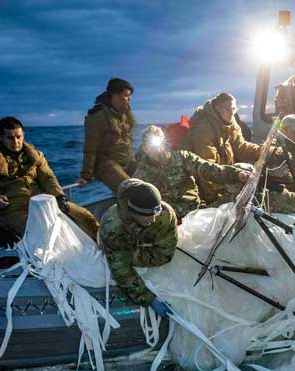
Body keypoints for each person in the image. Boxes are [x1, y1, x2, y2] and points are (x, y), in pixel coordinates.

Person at [0, 116, 99, 244]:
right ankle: (3, 228)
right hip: (12, 209)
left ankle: (104, 246)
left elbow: (48, 178)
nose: (15, 142)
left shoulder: (35, 155)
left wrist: (59, 197)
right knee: (41, 233)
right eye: (10, 138)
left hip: (42, 202)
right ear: (1, 138)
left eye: (19, 137)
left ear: (23, 135)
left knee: (85, 216)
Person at [134, 125, 251, 221]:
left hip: (195, 213)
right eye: (149, 145)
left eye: (157, 144)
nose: (155, 149)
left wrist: (236, 174)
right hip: (168, 222)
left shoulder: (182, 158)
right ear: (144, 148)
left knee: (239, 190)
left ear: (163, 143)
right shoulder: (140, 175)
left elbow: (208, 169)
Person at [182, 92, 277, 205]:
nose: (232, 113)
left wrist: (267, 151)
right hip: (210, 187)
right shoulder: (204, 130)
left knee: (250, 172)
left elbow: (241, 147)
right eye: (228, 109)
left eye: (234, 109)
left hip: (224, 176)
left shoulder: (230, 124)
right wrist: (215, 200)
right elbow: (207, 171)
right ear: (217, 108)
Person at [98, 178, 178, 309]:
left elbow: (165, 254)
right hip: (117, 246)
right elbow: (121, 270)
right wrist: (148, 299)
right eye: (147, 216)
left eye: (155, 213)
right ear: (133, 212)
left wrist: (135, 255)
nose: (153, 219)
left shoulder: (165, 214)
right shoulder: (112, 227)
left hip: (136, 247)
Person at [77, 78, 137, 192]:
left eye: (130, 96)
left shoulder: (126, 115)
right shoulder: (97, 116)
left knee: (153, 178)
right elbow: (90, 148)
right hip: (105, 164)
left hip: (125, 162)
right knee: (131, 189)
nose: (129, 99)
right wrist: (85, 176)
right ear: (115, 96)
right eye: (126, 96)